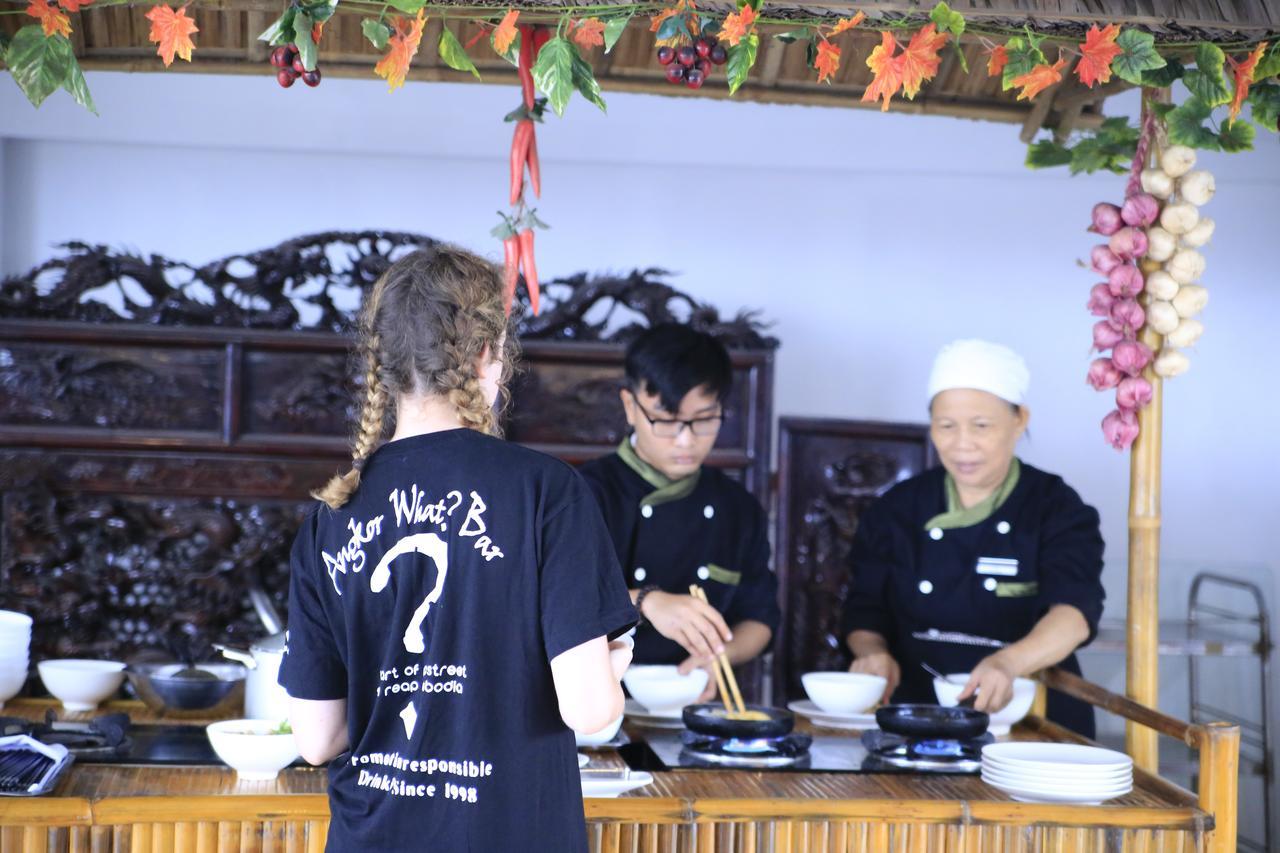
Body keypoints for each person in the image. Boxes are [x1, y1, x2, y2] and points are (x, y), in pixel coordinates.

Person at [278, 246, 638, 851]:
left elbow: (316, 739)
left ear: (384, 364)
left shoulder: (332, 516)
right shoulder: (546, 492)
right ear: (486, 355)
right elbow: (591, 711)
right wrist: (611, 662)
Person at [841, 339, 1105, 737]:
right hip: (915, 716)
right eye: (946, 426)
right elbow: (864, 612)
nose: (962, 443)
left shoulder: (1055, 507)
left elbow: (1074, 616)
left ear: (1020, 420)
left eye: (981, 426)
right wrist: (872, 654)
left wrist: (1008, 664)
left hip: (1032, 720)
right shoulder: (898, 508)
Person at [579, 324, 780, 700]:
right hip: (595, 707)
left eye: (704, 420)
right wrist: (646, 602)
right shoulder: (581, 493)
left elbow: (761, 617)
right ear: (630, 406)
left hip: (696, 706)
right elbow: (549, 601)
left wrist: (721, 656)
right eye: (667, 420)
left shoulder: (739, 509)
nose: (686, 439)